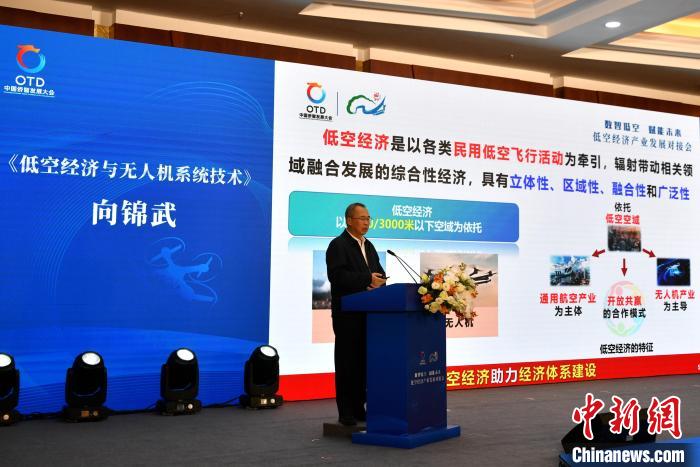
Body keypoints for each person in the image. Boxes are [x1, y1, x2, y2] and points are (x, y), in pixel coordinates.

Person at [326, 202, 386, 426]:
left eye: (368, 218)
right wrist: (367, 280)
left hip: (368, 313)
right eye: (362, 218)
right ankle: (346, 412)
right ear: (349, 220)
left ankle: (360, 408)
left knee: (363, 362)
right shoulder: (338, 245)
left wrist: (379, 280)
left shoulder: (368, 245)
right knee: (347, 362)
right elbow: (337, 277)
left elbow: (378, 271)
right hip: (347, 315)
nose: (366, 222)